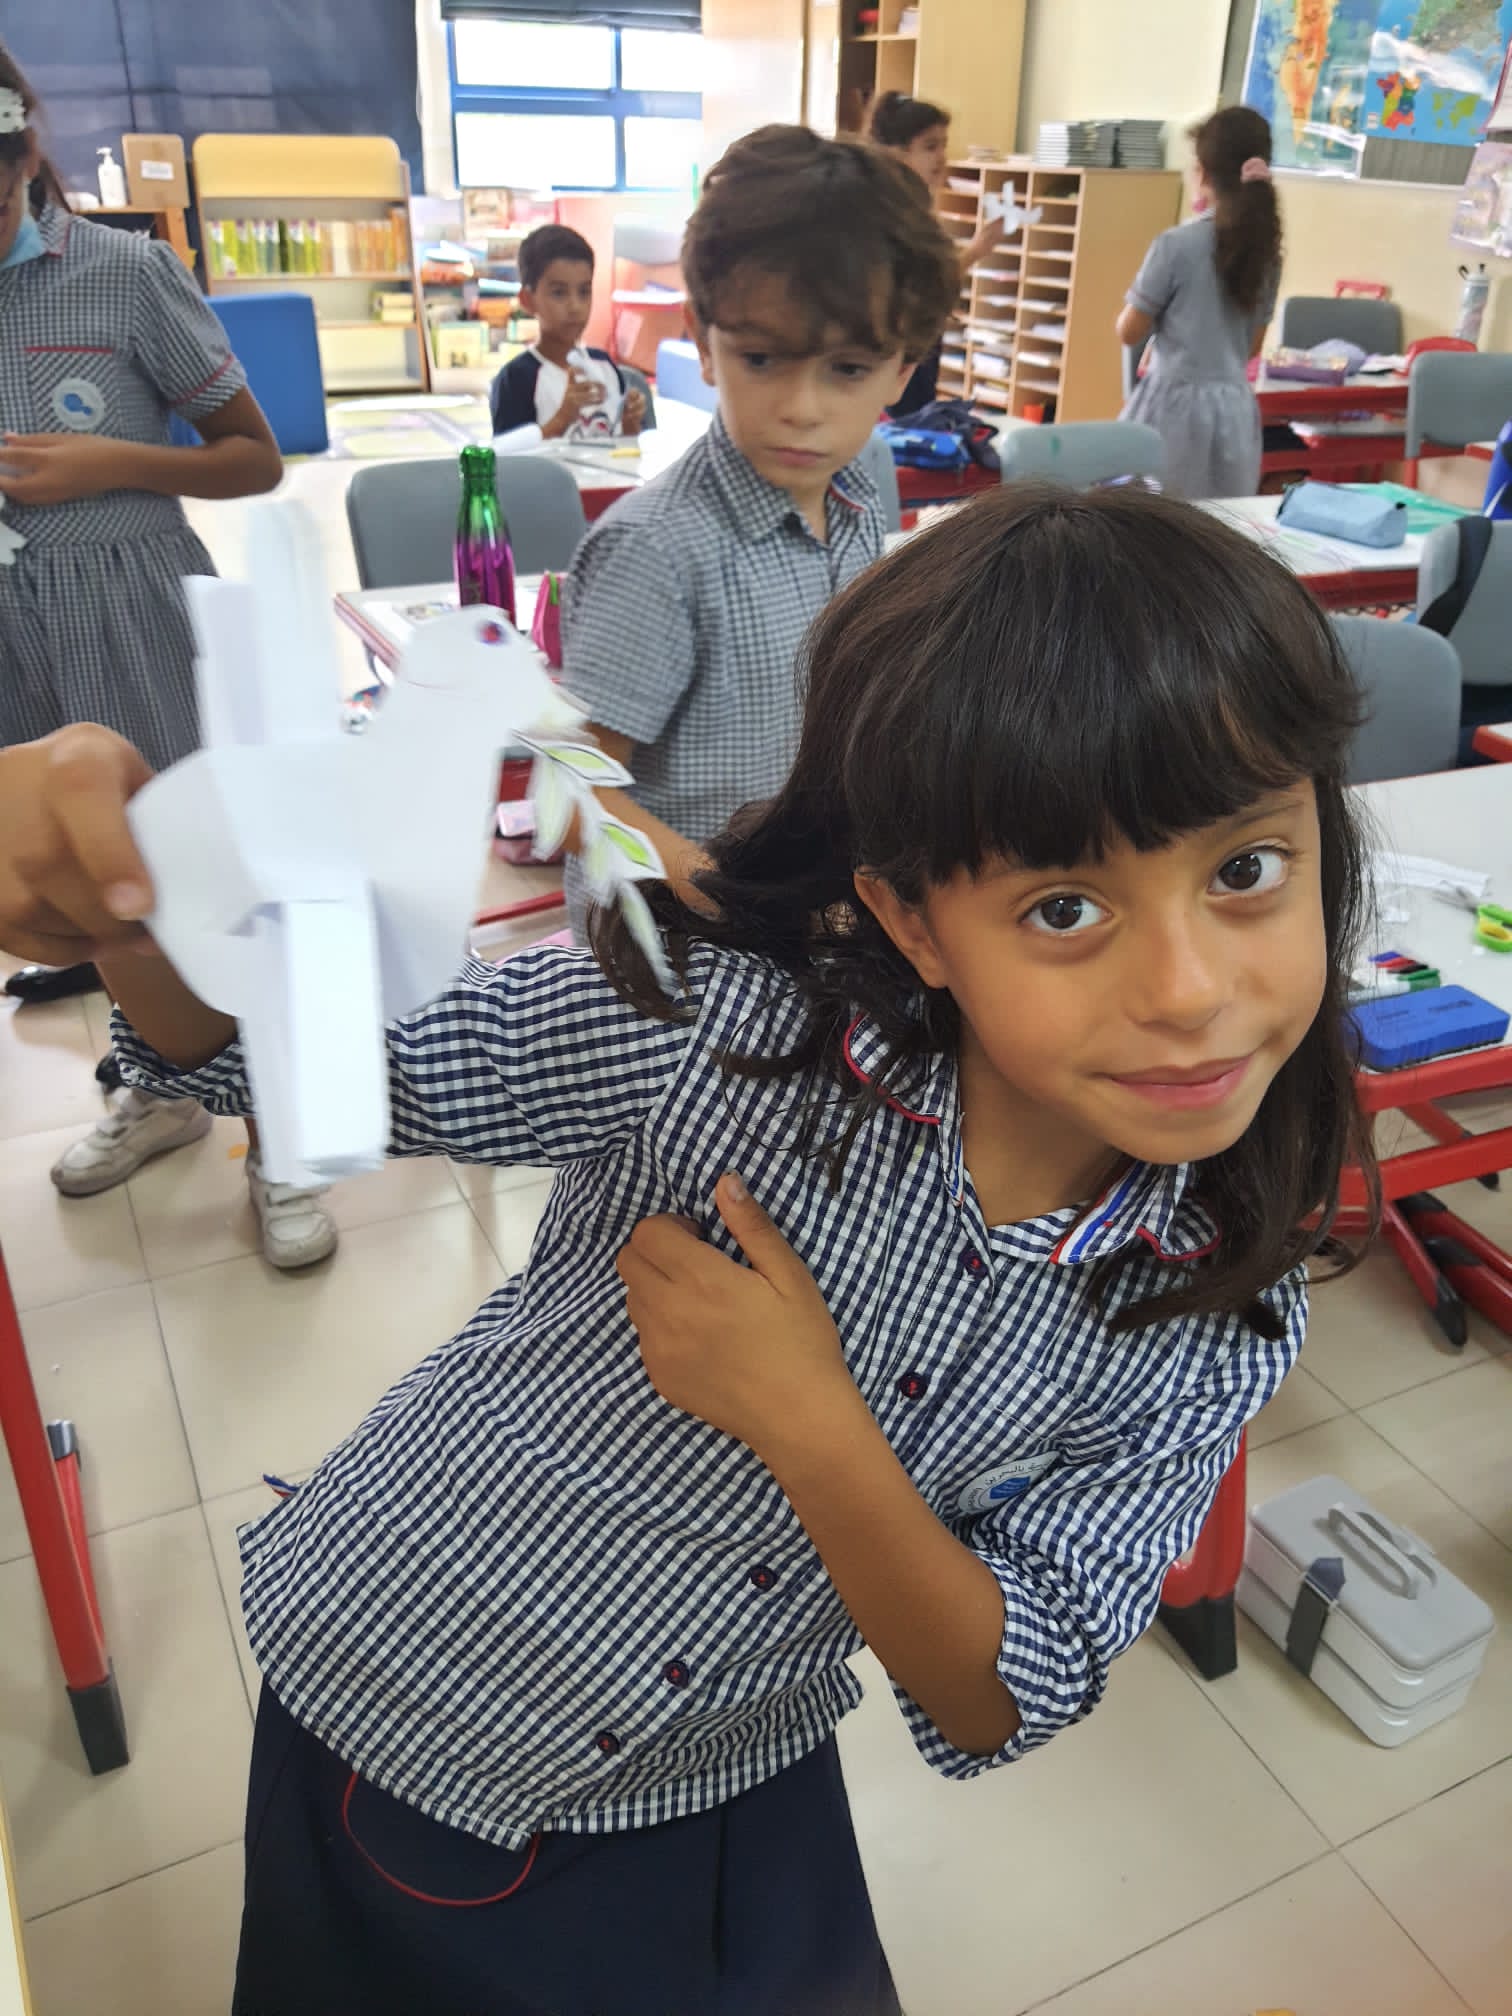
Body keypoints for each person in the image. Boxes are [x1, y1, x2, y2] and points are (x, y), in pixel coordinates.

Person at [0, 482, 1378, 2015]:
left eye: (1244, 871)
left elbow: (1008, 1692)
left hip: (721, 1748)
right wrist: (131, 906)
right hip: (420, 1690)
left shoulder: (1213, 1306)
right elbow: (310, 1067)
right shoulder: (729, 1026)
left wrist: (811, 1422)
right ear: (917, 925)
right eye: (1065, 907)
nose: (1189, 991)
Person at [0, 44, 338, 1269]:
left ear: (22, 155)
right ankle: (164, 1084)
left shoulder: (124, 276)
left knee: (204, 871)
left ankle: (284, 1128)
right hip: (13, 629)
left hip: (133, 608)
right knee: (86, 885)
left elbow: (255, 454)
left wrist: (115, 464)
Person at [558, 123, 958, 932]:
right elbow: (571, 796)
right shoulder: (657, 550)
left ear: (902, 372)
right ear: (705, 345)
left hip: (804, 913)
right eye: (762, 360)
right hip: (675, 940)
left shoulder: (855, 503)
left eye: (847, 369)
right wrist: (744, 905)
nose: (802, 408)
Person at [1116, 105, 1283, 499]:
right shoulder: (1266, 252)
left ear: (1203, 173)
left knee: (1154, 513)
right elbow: (1252, 346)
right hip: (1235, 409)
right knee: (1221, 519)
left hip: (1173, 407)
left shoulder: (1177, 244)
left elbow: (1129, 331)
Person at [867, 90, 1005, 418]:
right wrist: (974, 252)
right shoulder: (887, 212)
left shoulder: (918, 206)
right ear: (896, 153)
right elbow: (918, 287)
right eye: (930, 147)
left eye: (944, 145)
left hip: (917, 347)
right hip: (893, 346)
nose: (942, 157)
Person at [489, 223, 647, 451]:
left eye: (584, 292)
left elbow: (622, 450)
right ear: (527, 300)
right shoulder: (516, 379)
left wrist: (630, 426)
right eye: (559, 293)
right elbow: (507, 459)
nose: (575, 306)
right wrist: (561, 419)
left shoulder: (605, 367)